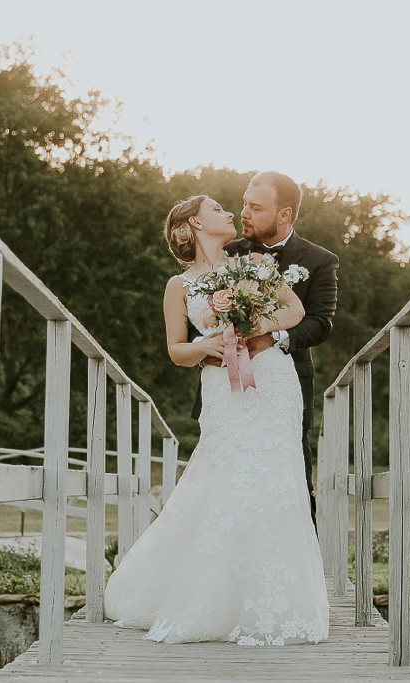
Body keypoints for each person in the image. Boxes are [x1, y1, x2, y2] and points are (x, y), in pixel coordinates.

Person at [103, 194, 330, 646]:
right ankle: (212, 597)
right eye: (218, 210)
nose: (230, 214)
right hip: (223, 392)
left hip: (273, 383)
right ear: (195, 224)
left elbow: (296, 312)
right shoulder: (178, 285)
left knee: (277, 482)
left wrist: (251, 325)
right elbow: (176, 351)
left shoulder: (257, 264)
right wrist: (208, 345)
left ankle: (276, 601)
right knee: (223, 479)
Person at [191, 172, 340, 528]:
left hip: (284, 383)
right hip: (227, 386)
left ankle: (303, 572)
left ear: (284, 215)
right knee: (224, 476)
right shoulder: (227, 254)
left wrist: (273, 338)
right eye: (244, 203)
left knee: (290, 476)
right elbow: (194, 311)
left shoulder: (320, 261)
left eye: (256, 208)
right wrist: (205, 346)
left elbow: (320, 322)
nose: (243, 212)